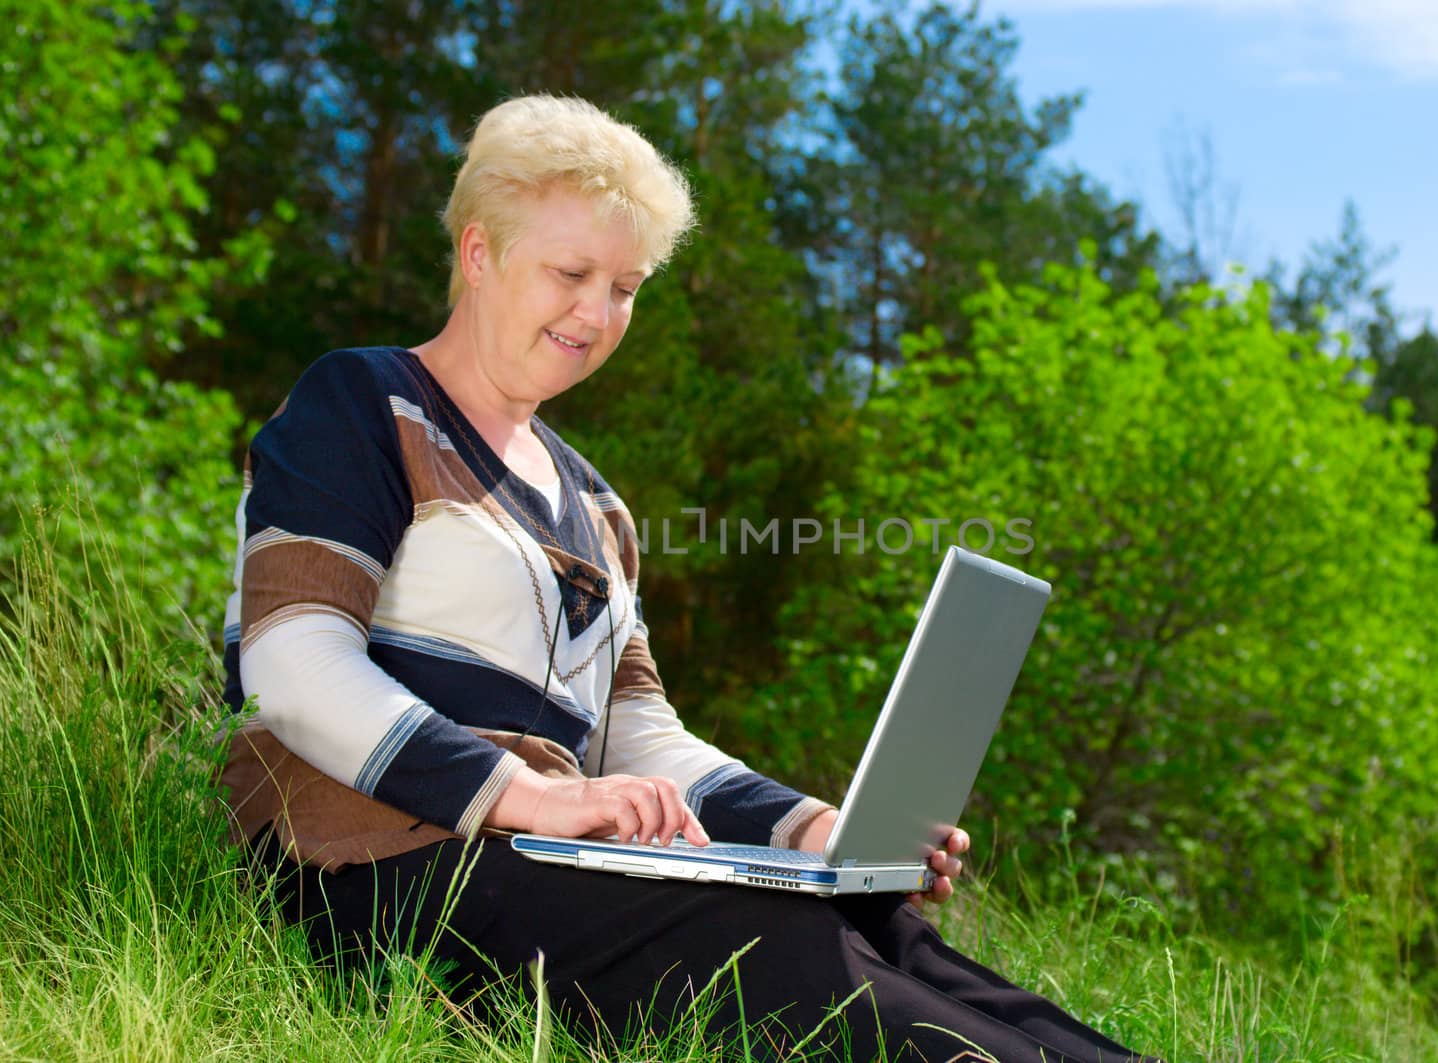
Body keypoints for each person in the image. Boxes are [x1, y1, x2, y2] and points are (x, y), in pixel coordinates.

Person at [220, 93, 1151, 1062]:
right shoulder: (364, 403)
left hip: (540, 862)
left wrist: (808, 828)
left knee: (886, 933)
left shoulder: (598, 507)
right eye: (571, 273)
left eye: (626, 285)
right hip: (364, 867)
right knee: (770, 946)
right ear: (479, 252)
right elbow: (291, 662)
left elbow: (634, 734)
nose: (598, 312)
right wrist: (529, 796)